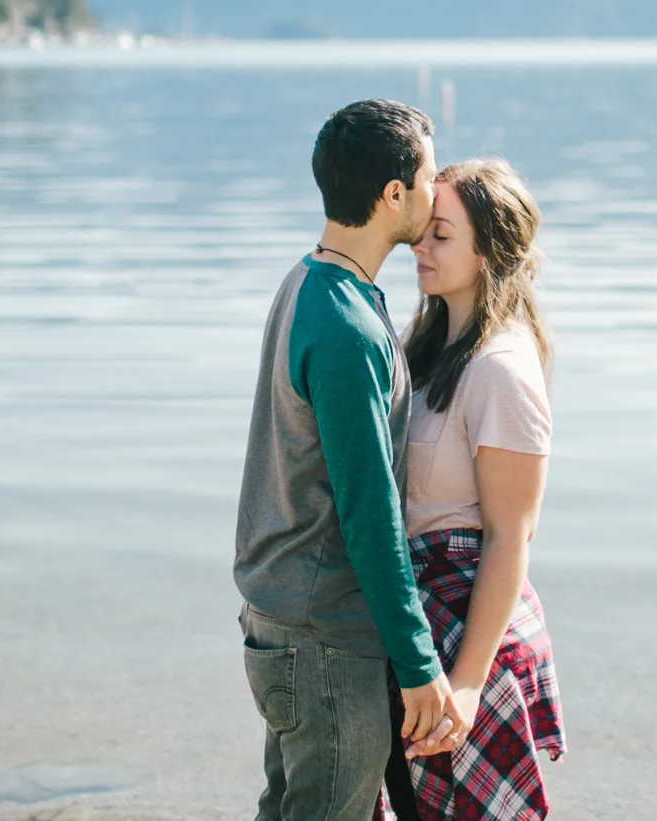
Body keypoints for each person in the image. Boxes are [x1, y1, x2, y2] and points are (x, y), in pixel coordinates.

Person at [235, 99, 472, 821]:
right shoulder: (346, 329)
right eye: (428, 178)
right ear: (393, 194)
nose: (435, 194)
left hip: (283, 620)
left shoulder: (309, 281)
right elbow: (368, 515)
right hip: (326, 640)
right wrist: (420, 660)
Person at [381, 158, 565, 821]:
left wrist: (466, 682)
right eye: (422, 232)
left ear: (488, 249)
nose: (418, 249)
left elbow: (511, 536)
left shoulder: (501, 368)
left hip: (470, 630)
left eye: (440, 235)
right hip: (425, 617)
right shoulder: (428, 344)